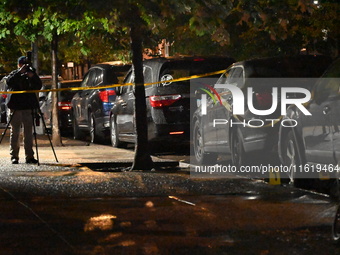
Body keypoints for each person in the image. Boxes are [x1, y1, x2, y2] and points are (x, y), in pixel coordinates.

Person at [5, 56, 42, 164]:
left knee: (28, 133)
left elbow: (38, 85)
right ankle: (14, 156)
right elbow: (9, 82)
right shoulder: (14, 74)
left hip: (28, 106)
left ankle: (29, 156)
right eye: (22, 64)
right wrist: (19, 73)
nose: (24, 66)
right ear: (19, 65)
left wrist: (32, 76)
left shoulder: (31, 74)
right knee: (15, 132)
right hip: (15, 107)